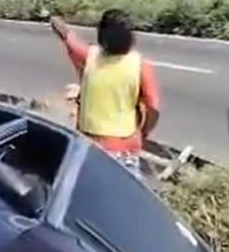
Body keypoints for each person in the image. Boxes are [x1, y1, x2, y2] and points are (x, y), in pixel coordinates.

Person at [51, 9, 160, 177]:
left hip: (90, 148)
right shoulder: (141, 66)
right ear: (130, 37)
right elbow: (153, 109)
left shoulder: (89, 56)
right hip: (125, 149)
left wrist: (58, 24)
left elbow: (68, 39)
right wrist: (143, 132)